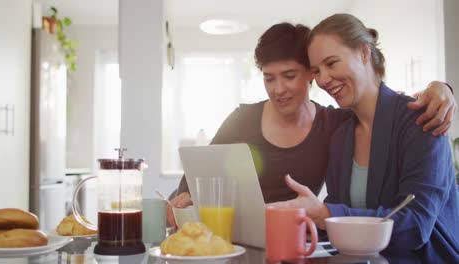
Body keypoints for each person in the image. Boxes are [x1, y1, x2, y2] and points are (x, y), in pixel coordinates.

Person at [167, 22, 457, 228]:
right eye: (269, 78)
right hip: (240, 241)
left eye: (289, 75)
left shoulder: (336, 123)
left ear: (309, 74)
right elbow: (191, 182)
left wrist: (442, 88)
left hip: (298, 239)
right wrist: (181, 201)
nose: (278, 88)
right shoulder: (242, 119)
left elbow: (385, 108)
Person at [271, 14, 459, 262]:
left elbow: (415, 226)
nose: (324, 79)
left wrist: (325, 213)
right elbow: (338, 218)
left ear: (363, 53)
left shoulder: (420, 120)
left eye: (332, 63)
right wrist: (295, 220)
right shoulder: (340, 136)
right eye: (316, 70)